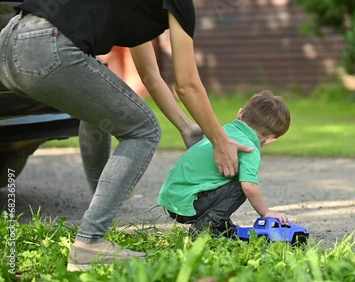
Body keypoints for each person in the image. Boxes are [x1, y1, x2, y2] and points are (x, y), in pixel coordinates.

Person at [0, 0, 252, 272]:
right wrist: (220, 141)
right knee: (144, 131)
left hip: (9, 40)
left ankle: (100, 212)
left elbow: (150, 76)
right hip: (46, 45)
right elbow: (188, 85)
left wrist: (187, 128)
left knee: (98, 106)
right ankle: (90, 241)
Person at [158, 90, 291, 237]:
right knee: (240, 187)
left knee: (227, 180)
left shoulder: (220, 133)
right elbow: (250, 187)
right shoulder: (249, 148)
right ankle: (204, 228)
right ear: (271, 139)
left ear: (240, 114)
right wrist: (265, 212)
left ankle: (223, 228)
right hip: (187, 206)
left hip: (172, 199)